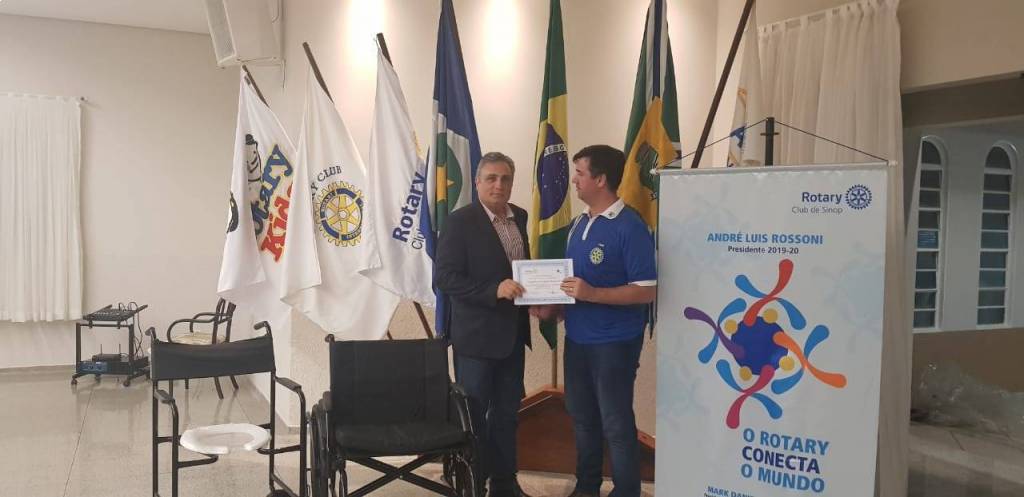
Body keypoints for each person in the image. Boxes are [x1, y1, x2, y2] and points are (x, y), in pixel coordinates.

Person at [559, 145, 657, 497]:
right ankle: (586, 488)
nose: (574, 180)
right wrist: (553, 306)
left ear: (600, 179)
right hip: (577, 338)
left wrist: (593, 294)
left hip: (614, 343)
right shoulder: (578, 224)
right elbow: (573, 284)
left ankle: (626, 491)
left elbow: (646, 290)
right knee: (582, 418)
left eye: (580, 173)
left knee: (615, 422)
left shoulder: (630, 226)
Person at [435, 152, 533, 497]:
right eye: (491, 178)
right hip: (476, 340)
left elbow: (521, 271)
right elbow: (445, 278)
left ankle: (505, 484)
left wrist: (537, 294)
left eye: (505, 179)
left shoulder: (519, 216)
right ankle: (473, 483)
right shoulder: (459, 222)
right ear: (477, 182)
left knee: (507, 415)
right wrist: (493, 290)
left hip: (513, 336)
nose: (498, 185)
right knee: (474, 417)